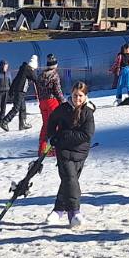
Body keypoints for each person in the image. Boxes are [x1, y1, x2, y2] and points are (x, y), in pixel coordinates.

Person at [47, 81, 96, 229]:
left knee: (69, 182)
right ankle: (74, 212)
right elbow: (51, 121)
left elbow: (86, 135)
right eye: (75, 95)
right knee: (70, 179)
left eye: (80, 95)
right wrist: (52, 136)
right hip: (63, 151)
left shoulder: (88, 112)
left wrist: (64, 135)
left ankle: (58, 210)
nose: (77, 99)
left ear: (85, 96)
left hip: (80, 152)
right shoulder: (63, 109)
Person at [1, 56, 38, 131]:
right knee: (16, 108)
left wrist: (11, 90)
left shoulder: (23, 69)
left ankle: (22, 124)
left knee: (22, 107)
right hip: (20, 91)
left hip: (19, 91)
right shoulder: (28, 69)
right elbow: (36, 79)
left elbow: (15, 79)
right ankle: (4, 121)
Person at [36, 55, 64, 152]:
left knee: (45, 125)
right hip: (52, 102)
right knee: (55, 125)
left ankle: (42, 148)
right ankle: (56, 148)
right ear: (55, 65)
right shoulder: (54, 75)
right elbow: (58, 91)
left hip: (42, 102)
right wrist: (63, 102)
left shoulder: (41, 75)